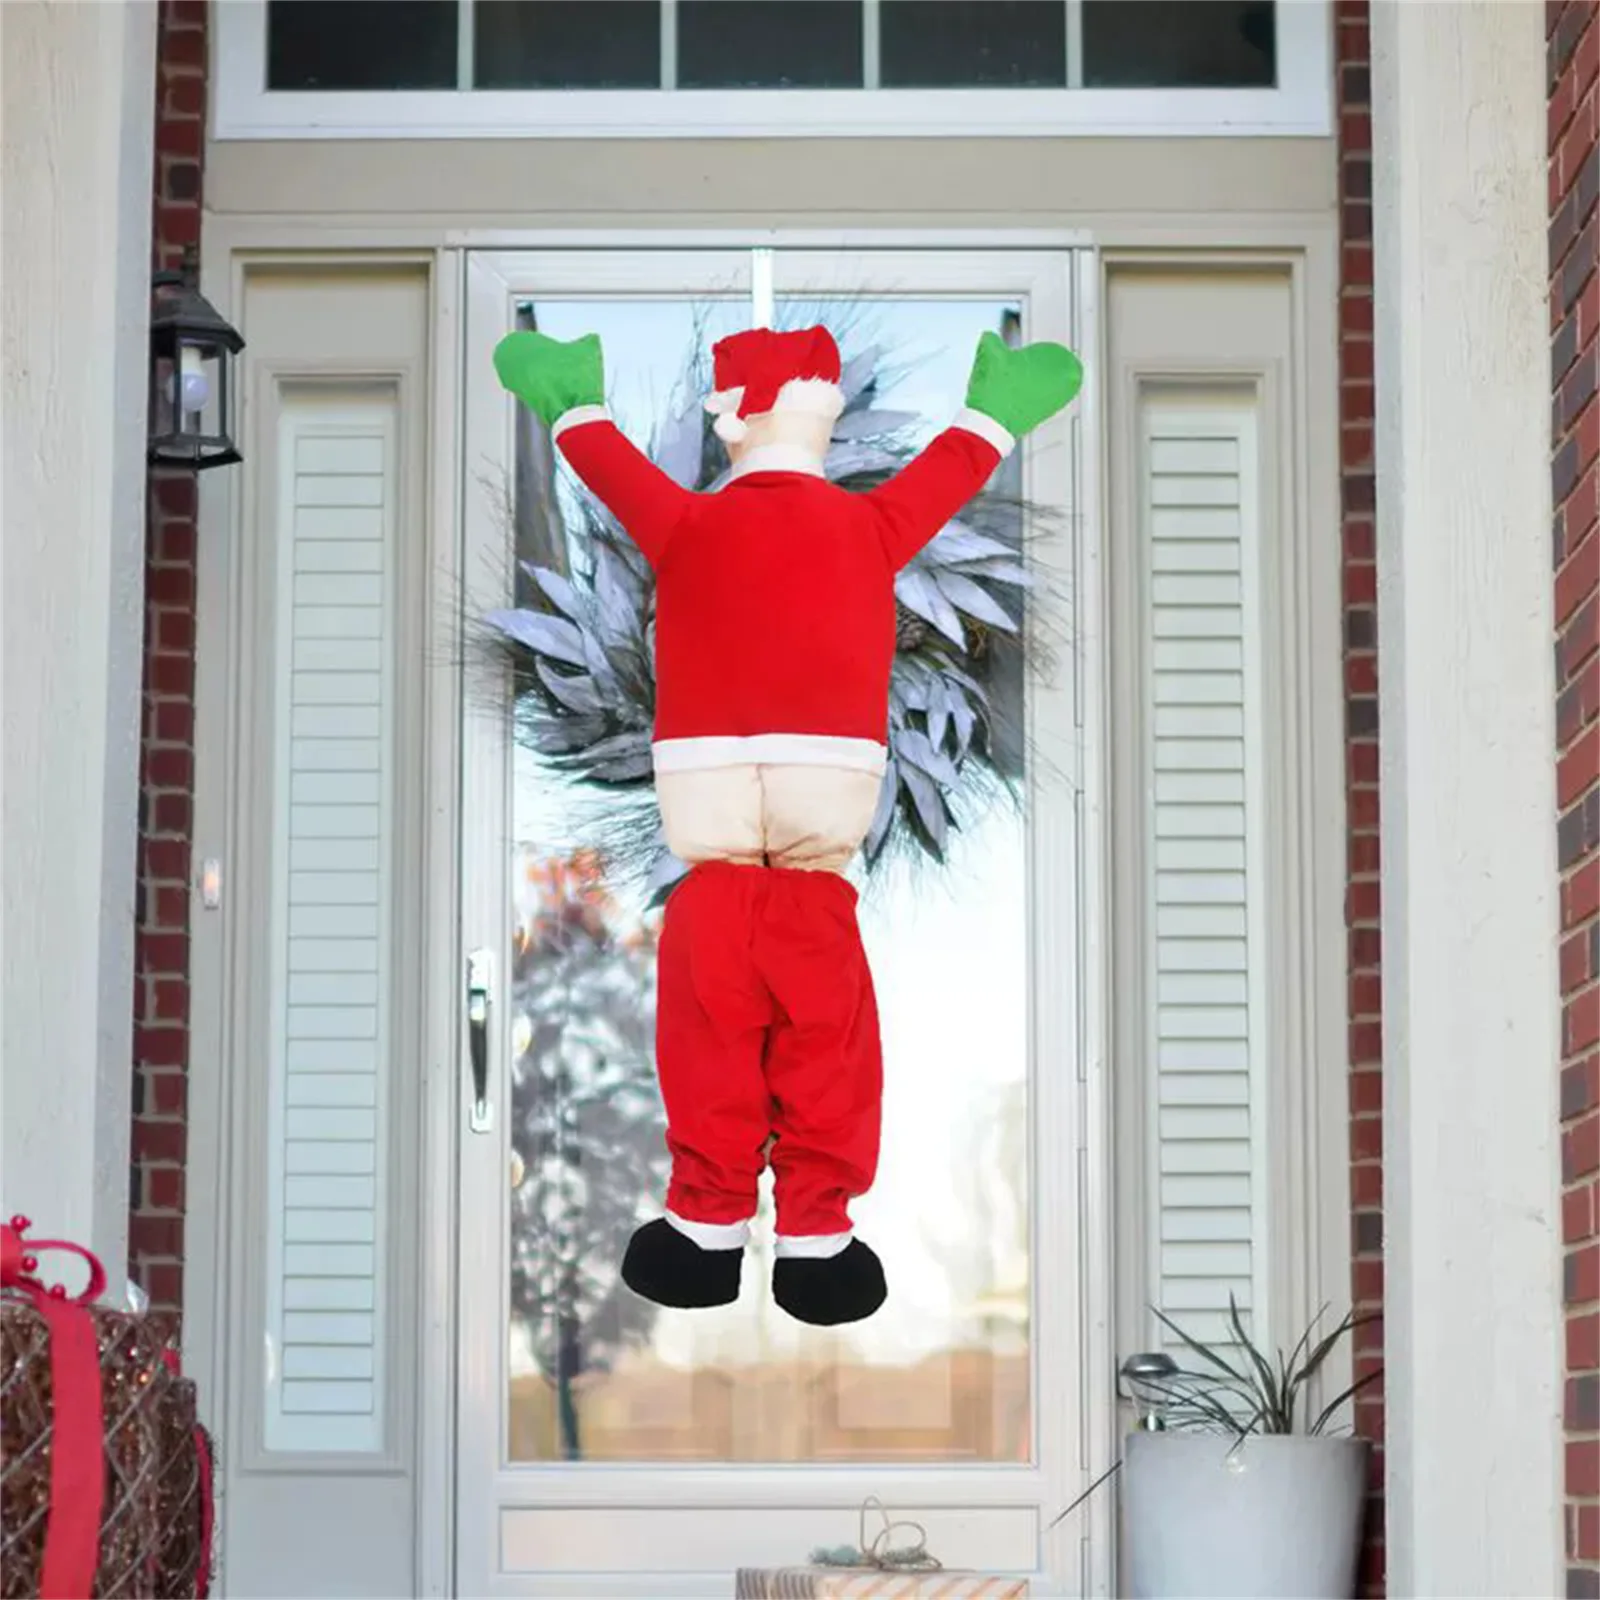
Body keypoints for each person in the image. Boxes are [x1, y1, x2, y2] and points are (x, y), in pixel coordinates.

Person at [494, 321, 1081, 1325]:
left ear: (731, 422)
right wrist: (992, 412)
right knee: (827, 1040)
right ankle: (816, 1235)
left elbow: (608, 467)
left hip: (713, 839)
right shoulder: (866, 527)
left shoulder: (685, 524)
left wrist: (573, 401)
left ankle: (706, 1225)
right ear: (823, 418)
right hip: (818, 841)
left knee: (707, 1035)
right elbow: (945, 474)